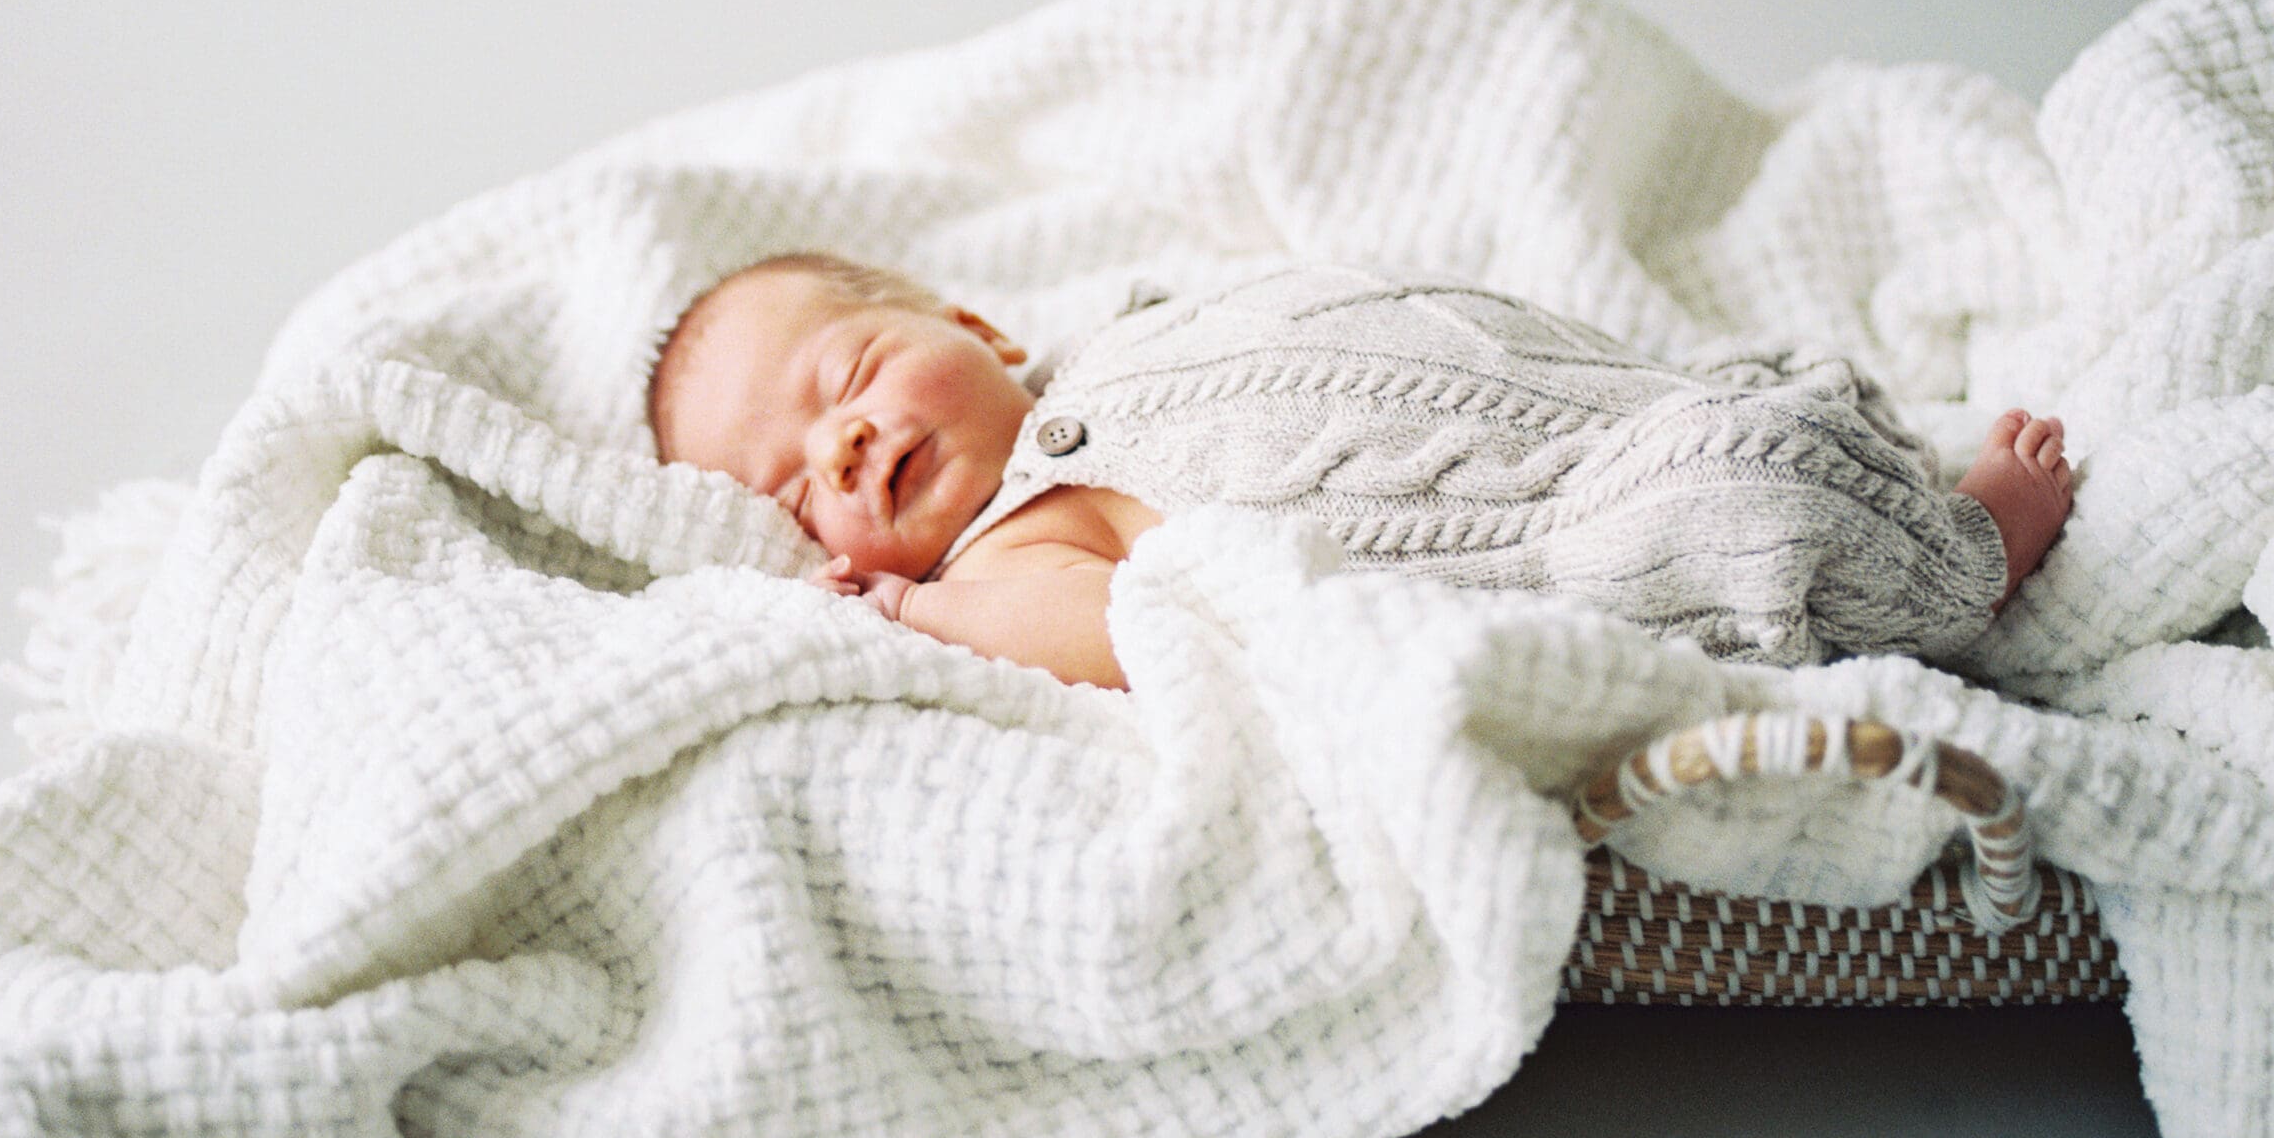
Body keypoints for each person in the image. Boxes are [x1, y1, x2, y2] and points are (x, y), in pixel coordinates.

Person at [648, 251, 2074, 692]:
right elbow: (1114, 637)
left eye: (845, 378)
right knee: (1737, 505)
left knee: (1723, 405)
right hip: (1556, 527)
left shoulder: (1106, 340)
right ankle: (1958, 562)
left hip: (1555, 391)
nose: (836, 448)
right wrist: (921, 616)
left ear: (973, 327)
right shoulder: (1013, 548)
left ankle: (1818, 444)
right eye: (792, 491)